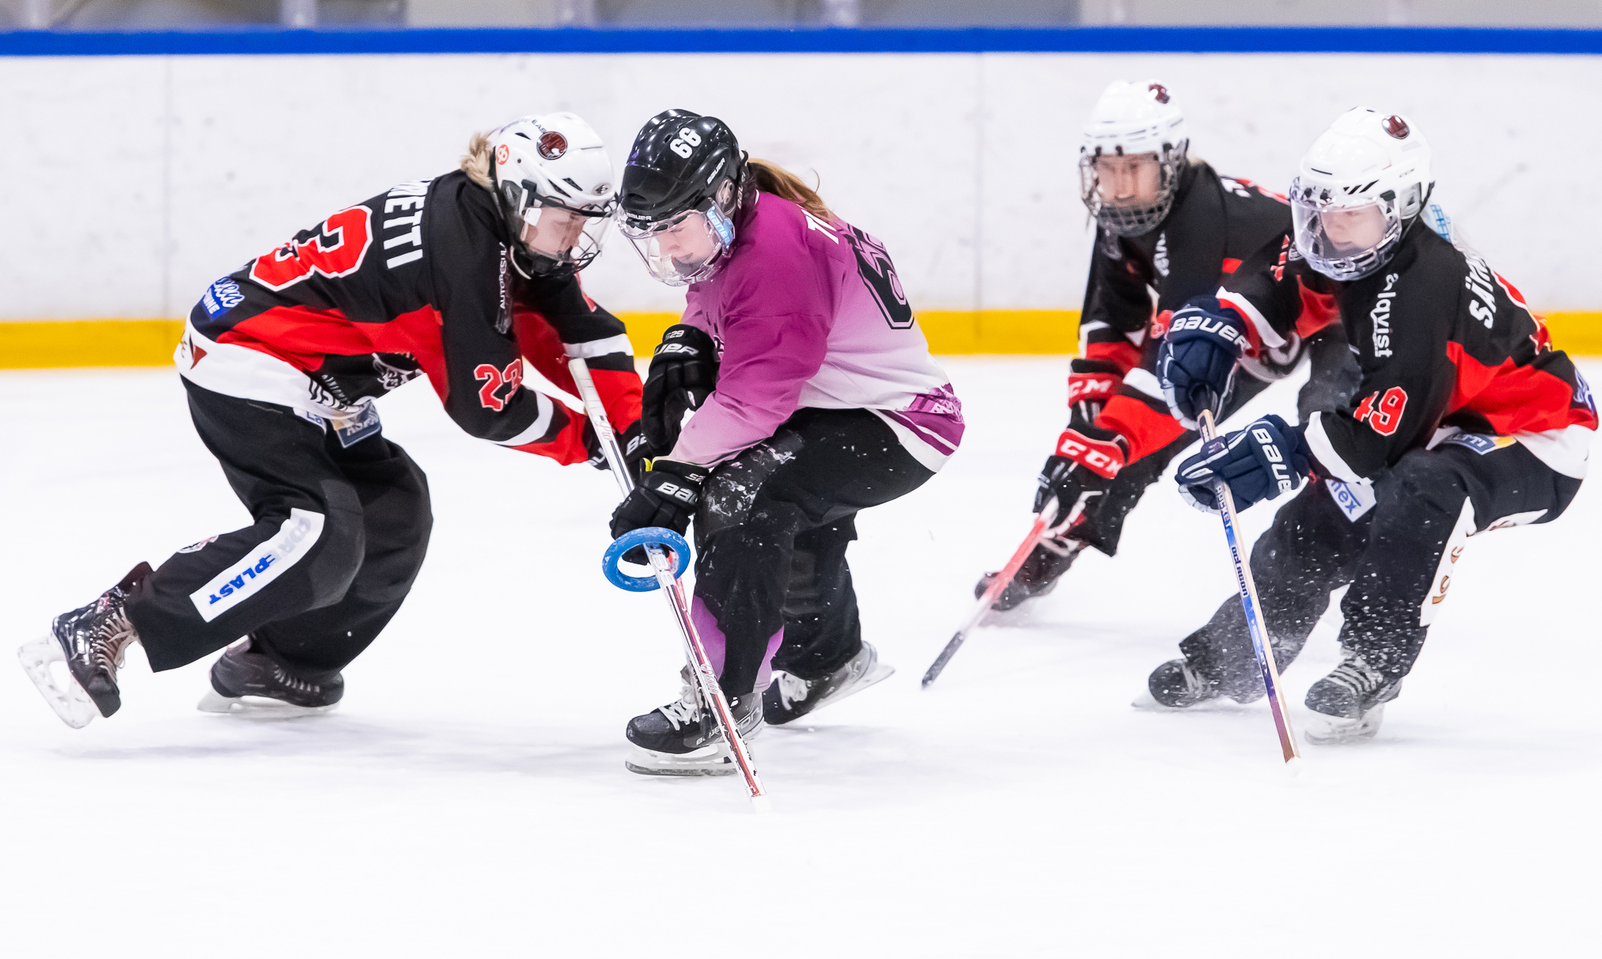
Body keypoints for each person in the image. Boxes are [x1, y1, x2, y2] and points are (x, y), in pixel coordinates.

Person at [19, 113, 646, 727]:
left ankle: (280, 660)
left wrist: (635, 427)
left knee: (393, 515)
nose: (570, 241)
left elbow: (575, 330)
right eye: (561, 222)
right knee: (313, 530)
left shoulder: (497, 223)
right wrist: (591, 441)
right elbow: (489, 407)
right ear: (517, 197)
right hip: (249, 363)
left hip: (319, 381)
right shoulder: (465, 258)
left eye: (580, 224)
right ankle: (110, 620)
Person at [1149, 107, 1596, 741]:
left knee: (1419, 487)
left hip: (1534, 438)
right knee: (1318, 520)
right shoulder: (1351, 239)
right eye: (1319, 209)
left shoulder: (1422, 286)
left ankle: (1371, 662)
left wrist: (1281, 449)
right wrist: (1223, 323)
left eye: (1348, 212)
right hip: (1442, 415)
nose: (1328, 228)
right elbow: (1281, 280)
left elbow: (1379, 442)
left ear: (1400, 206)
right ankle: (1234, 658)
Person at [605, 109, 963, 774]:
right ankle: (826, 660)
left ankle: (723, 700)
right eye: (651, 235)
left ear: (720, 196)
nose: (668, 250)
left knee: (741, 491)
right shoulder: (747, 224)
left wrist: (677, 474)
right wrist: (688, 343)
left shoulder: (773, 251)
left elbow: (754, 400)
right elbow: (721, 307)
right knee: (781, 505)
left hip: (896, 427)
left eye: (674, 228)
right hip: (846, 410)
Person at [982, 80, 1356, 611]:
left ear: (1171, 161)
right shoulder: (1121, 220)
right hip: (1249, 328)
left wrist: (1098, 448)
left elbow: (1172, 367)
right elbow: (1111, 326)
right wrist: (1085, 430)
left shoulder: (1201, 221)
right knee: (1127, 442)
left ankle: (1359, 558)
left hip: (1344, 310)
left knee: (1332, 436)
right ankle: (1058, 538)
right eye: (1106, 169)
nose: (1117, 184)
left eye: (1133, 167)